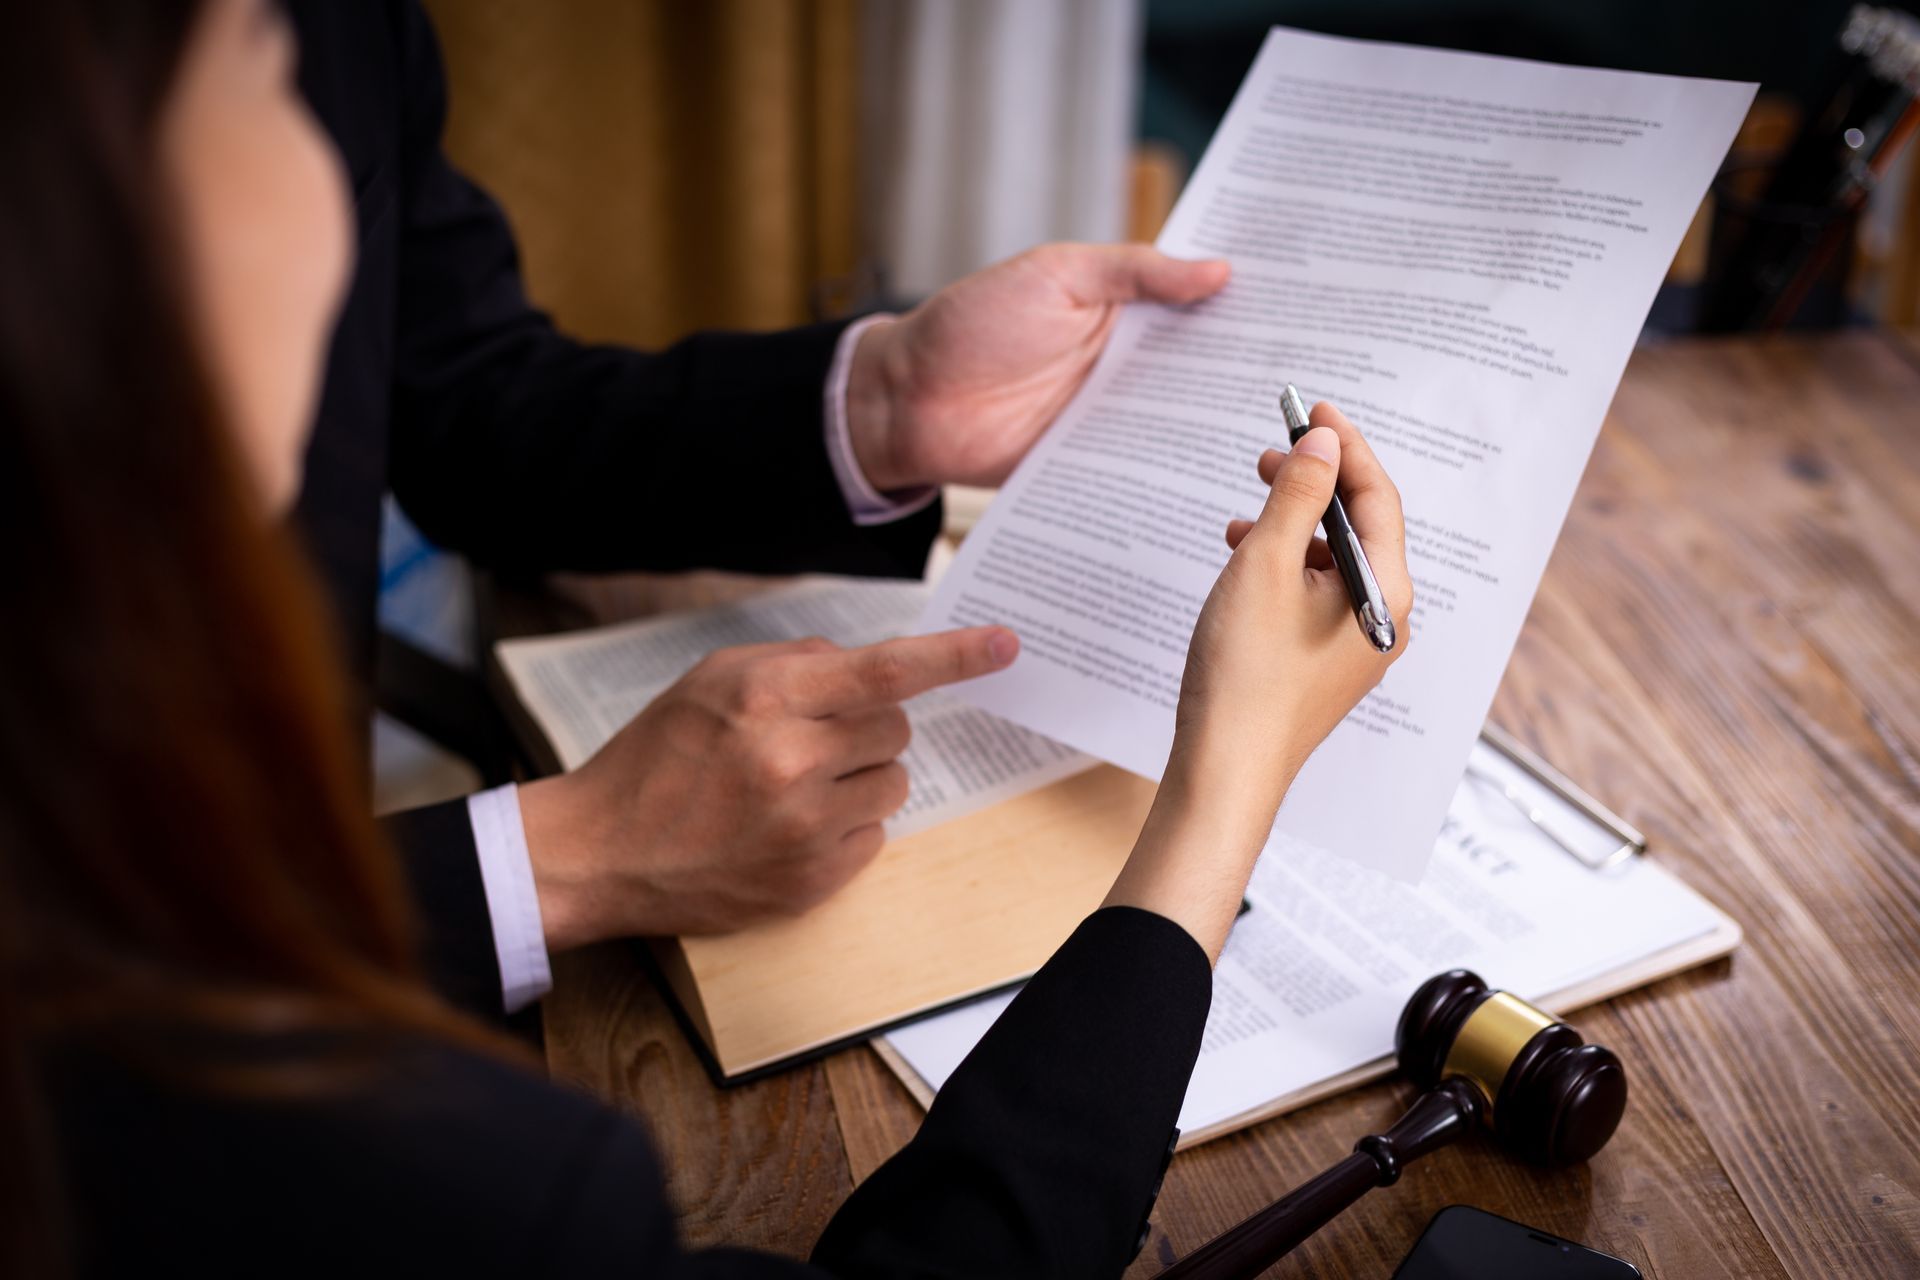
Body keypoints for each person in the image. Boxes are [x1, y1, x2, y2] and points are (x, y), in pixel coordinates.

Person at [0, 1, 1410, 1276]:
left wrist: (882, 403)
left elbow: (461, 393)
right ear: (72, 228)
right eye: (257, 65)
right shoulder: (461, 1187)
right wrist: (1222, 797)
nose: (325, 171)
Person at [284, 0, 1243, 1019]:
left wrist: (889, 399)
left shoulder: (347, 23)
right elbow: (94, 954)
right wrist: (562, 852)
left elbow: (467, 405)